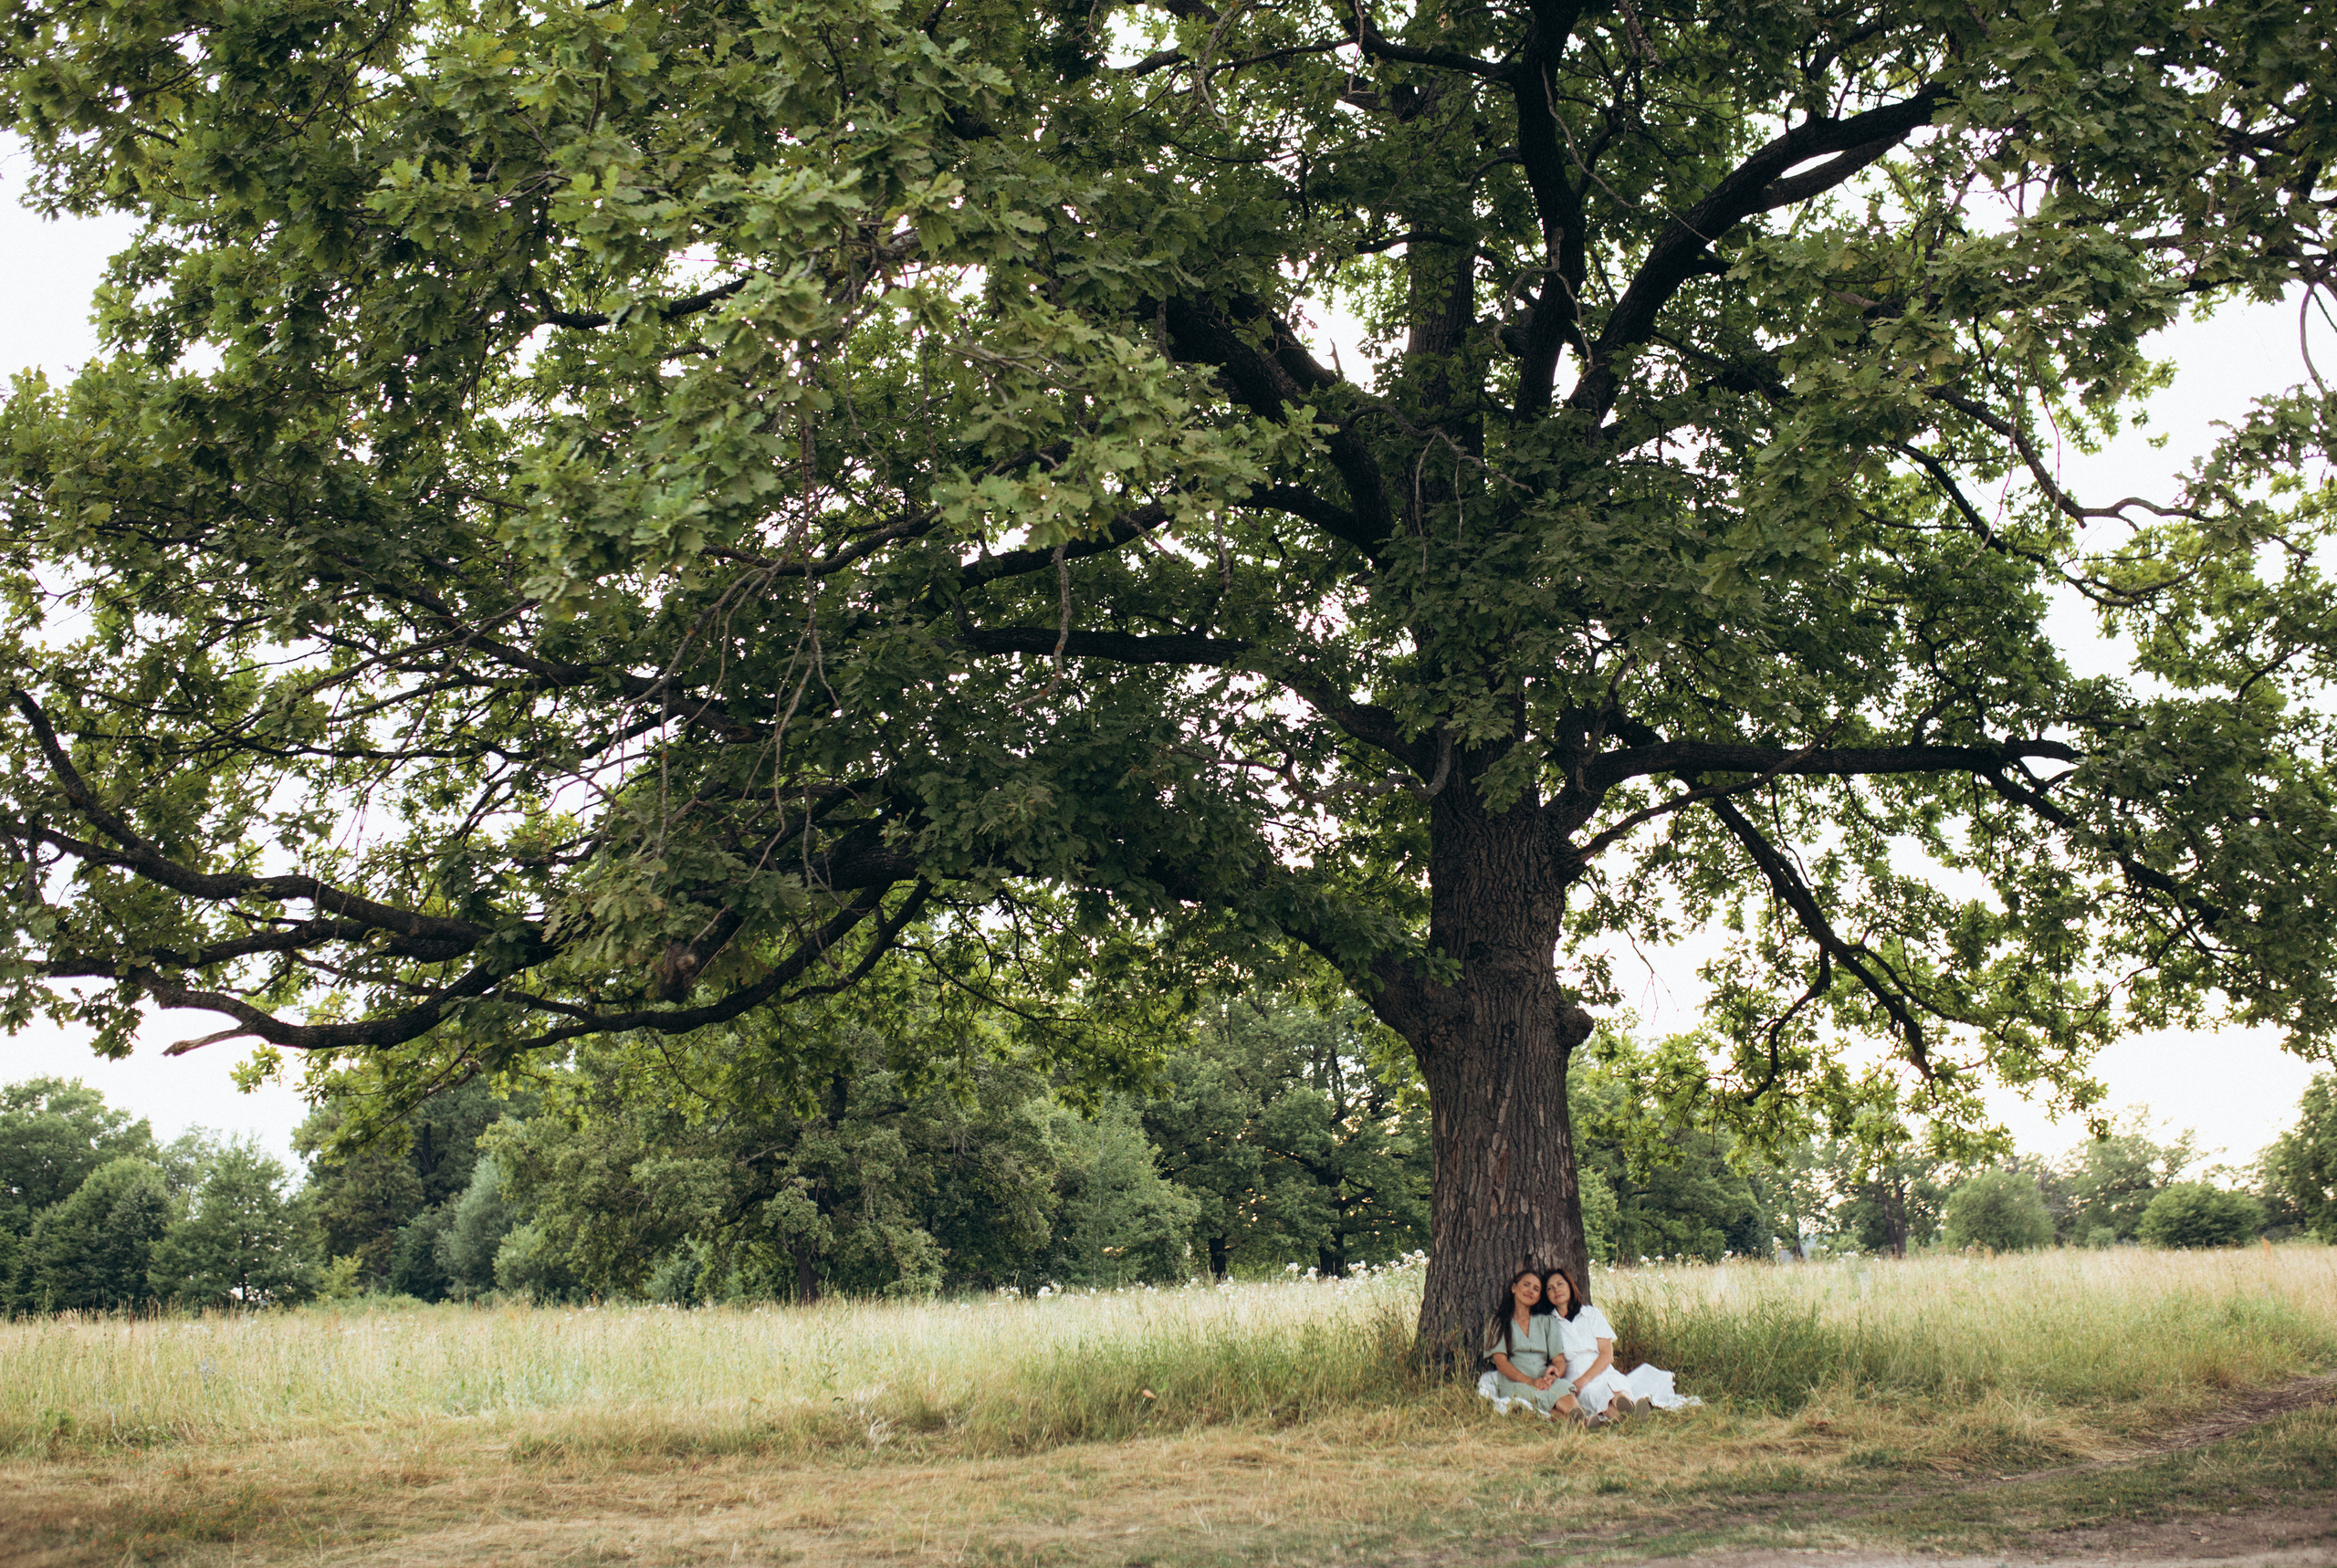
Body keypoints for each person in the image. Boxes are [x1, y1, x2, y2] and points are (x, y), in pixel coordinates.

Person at [1544, 1265, 1653, 1423]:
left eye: (1560, 1284)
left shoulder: (1591, 1314)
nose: (1556, 1290)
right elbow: (1556, 1359)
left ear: (1570, 1286)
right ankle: (1628, 1416)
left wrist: (1584, 1380)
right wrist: (1578, 1382)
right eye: (1550, 1288)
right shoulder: (1550, 1323)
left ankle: (1624, 1403)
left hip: (1601, 1368)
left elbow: (1607, 1355)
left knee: (1614, 1386)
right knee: (1594, 1396)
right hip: (1575, 1374)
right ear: (1546, 1295)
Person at [1483, 1265, 1588, 1423]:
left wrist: (1554, 1374)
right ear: (1513, 1288)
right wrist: (1531, 1382)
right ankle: (1581, 1421)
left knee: (1561, 1387)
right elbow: (1501, 1364)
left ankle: (1577, 1416)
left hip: (1542, 1379)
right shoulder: (1498, 1322)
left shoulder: (1547, 1322)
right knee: (1536, 1395)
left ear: (1539, 1296)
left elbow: (1558, 1360)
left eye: (1536, 1289)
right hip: (1515, 1382)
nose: (1530, 1290)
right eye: (1526, 1285)